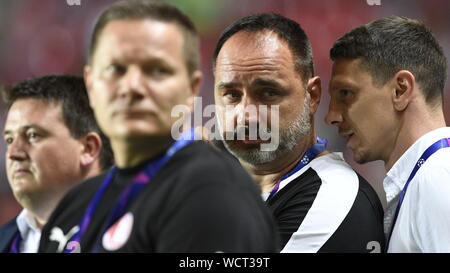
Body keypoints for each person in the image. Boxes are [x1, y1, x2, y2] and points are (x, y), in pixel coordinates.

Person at [39, 0, 278, 253]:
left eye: (156, 70)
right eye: (115, 69)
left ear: (192, 88)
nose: (132, 86)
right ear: (90, 84)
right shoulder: (74, 205)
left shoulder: (211, 193)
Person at [212, 13, 385, 253]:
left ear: (312, 95)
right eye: (231, 94)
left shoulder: (331, 197)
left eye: (268, 93)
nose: (246, 116)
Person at [325, 16, 450, 253]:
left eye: (345, 93)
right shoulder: (425, 177)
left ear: (400, 90)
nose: (331, 116)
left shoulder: (437, 179)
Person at [0, 75, 114, 253]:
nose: (14, 153)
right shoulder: (4, 241)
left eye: (33, 135)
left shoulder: (139, 229)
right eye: (9, 139)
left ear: (88, 148)